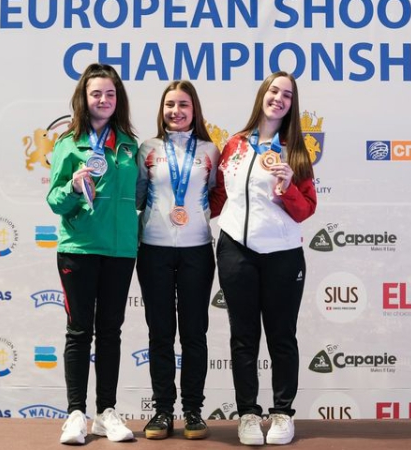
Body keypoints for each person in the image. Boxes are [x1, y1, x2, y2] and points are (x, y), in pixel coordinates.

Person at [209, 71, 317, 446]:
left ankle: (283, 413)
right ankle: (249, 415)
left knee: (282, 336)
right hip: (236, 249)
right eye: (274, 91)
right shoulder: (235, 144)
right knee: (243, 337)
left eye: (287, 95)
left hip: (282, 255)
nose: (279, 99)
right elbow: (218, 196)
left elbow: (306, 210)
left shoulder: (297, 151)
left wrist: (287, 188)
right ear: (262, 95)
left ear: (292, 105)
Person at [47, 63, 139, 445]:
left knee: (110, 331)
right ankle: (75, 414)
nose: (103, 99)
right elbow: (54, 200)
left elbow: (142, 196)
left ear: (118, 100)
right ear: (84, 98)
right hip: (79, 248)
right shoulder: (68, 143)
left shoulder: (130, 145)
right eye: (96, 93)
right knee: (79, 330)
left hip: (120, 250)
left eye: (110, 94)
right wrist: (72, 185)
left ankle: (106, 413)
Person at [136, 81, 220, 440]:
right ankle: (162, 411)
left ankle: (193, 411)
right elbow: (138, 195)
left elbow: (216, 194)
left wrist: (194, 216)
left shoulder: (210, 150)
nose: (176, 111)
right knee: (160, 334)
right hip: (153, 247)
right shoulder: (148, 149)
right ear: (162, 110)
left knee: (194, 333)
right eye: (170, 104)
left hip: (197, 248)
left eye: (183, 104)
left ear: (194, 109)